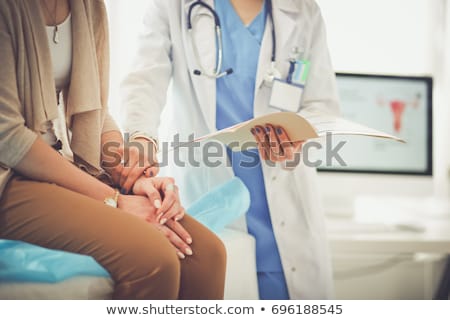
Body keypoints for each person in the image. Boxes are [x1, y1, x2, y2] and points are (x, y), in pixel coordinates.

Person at [0, 0, 226, 300]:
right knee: (153, 258)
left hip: (60, 163)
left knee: (207, 254)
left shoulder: (88, 6)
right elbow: (8, 137)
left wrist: (129, 173)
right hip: (9, 177)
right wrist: (114, 200)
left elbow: (94, 108)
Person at [120, 0, 339, 299]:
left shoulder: (302, 11)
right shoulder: (174, 6)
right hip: (208, 195)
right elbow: (144, 81)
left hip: (284, 209)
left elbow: (322, 104)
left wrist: (297, 135)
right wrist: (141, 139)